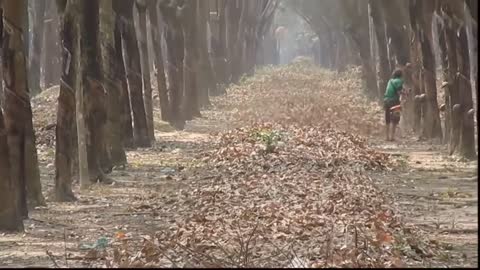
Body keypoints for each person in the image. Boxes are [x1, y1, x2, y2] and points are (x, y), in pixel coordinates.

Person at [383, 69, 406, 141]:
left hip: (386, 100)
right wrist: (405, 93)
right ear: (401, 75)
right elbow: (399, 92)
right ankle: (392, 137)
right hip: (394, 101)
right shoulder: (399, 81)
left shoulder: (390, 81)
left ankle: (386, 136)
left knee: (387, 118)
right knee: (395, 119)